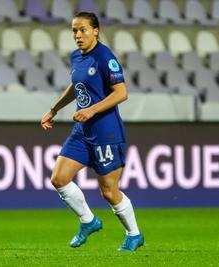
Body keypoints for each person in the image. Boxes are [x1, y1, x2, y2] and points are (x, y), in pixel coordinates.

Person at [40, 12, 144, 251]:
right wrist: (54, 109)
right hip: (82, 130)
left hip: (106, 132)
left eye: (83, 29)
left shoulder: (104, 57)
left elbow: (121, 93)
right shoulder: (77, 57)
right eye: (74, 30)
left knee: (109, 191)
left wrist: (92, 110)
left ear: (96, 31)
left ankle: (134, 234)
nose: (78, 35)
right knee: (59, 178)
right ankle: (88, 221)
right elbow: (76, 86)